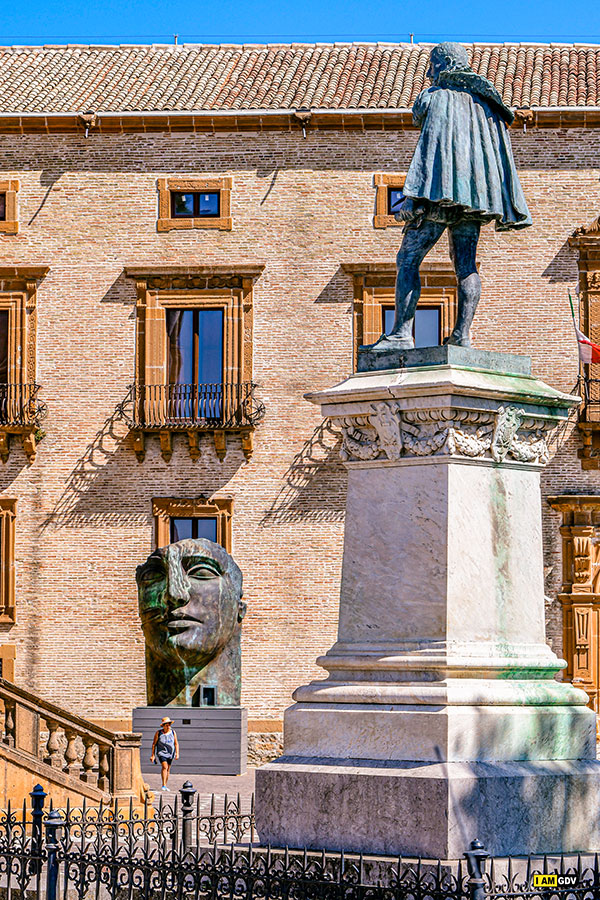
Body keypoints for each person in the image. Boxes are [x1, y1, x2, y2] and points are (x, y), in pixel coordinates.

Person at [372, 42, 531, 351]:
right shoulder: (489, 105)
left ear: (443, 64)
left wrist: (413, 198)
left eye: (432, 66)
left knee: (407, 259)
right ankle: (462, 335)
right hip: (476, 200)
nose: (429, 73)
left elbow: (428, 149)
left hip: (439, 197)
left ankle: (402, 333)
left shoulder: (434, 97)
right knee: (466, 266)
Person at [150, 716, 179, 790]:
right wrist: (153, 755)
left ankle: (165, 785)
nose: (168, 726)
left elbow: (176, 743)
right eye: (167, 724)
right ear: (163, 725)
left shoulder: (173, 732)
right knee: (164, 767)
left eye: (169, 724)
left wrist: (177, 753)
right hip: (161, 753)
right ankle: (163, 785)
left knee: (168, 769)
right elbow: (154, 744)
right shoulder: (158, 733)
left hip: (170, 753)